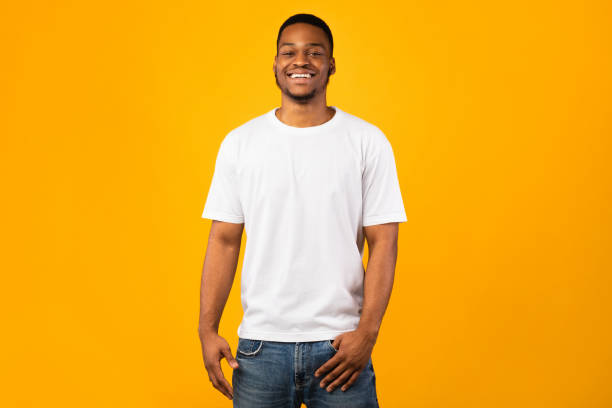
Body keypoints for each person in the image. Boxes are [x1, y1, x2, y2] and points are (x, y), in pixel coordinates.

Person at [198, 13, 407, 407]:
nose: (301, 61)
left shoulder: (367, 141)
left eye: (315, 52)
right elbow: (224, 241)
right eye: (289, 52)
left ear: (331, 64)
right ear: (275, 64)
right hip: (260, 350)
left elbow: (385, 243)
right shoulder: (241, 143)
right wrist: (207, 330)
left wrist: (368, 333)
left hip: (341, 347)